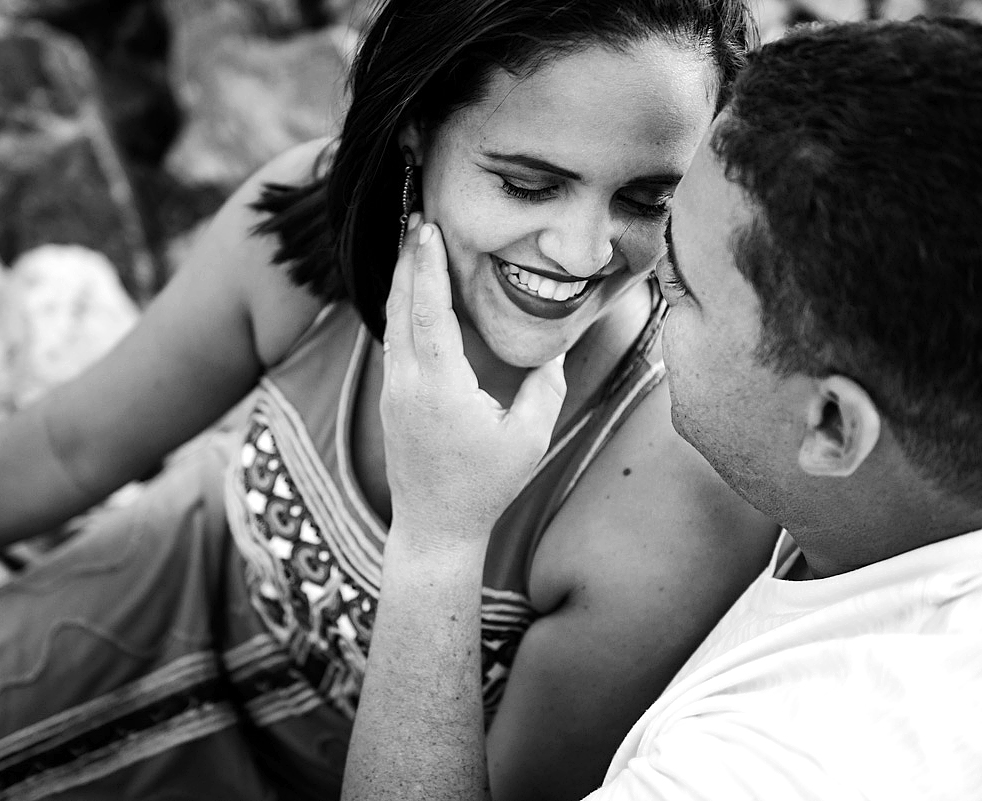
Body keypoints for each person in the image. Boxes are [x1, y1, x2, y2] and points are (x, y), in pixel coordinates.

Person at [0, 1, 779, 799]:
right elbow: (75, 445)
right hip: (162, 591)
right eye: (527, 184)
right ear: (418, 133)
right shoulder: (308, 236)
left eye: (647, 199)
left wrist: (448, 523)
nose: (581, 251)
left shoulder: (672, 480)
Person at [345, 15, 982, 801]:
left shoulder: (780, 764)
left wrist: (439, 541)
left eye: (677, 284)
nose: (586, 260)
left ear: (831, 426)